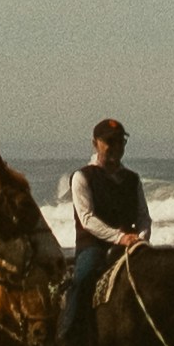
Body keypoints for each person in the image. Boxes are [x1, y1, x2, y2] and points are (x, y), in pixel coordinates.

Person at [63, 120, 148, 330]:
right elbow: (87, 219)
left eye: (121, 141)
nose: (117, 147)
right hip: (94, 246)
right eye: (110, 141)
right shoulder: (83, 177)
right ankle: (67, 335)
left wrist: (142, 239)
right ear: (95, 143)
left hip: (130, 245)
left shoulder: (132, 179)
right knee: (83, 278)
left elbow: (143, 216)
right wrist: (120, 237)